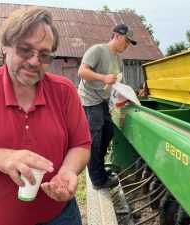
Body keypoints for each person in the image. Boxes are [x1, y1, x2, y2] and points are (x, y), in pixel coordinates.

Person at [0, 7, 91, 225]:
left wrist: (68, 170)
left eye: (44, 54)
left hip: (60, 216)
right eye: (25, 50)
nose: (34, 61)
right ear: (5, 47)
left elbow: (81, 145)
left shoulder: (64, 90)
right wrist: (1, 158)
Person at [77, 24, 137, 190]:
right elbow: (82, 72)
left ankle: (100, 169)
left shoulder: (119, 60)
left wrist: (129, 98)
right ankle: (98, 180)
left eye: (129, 42)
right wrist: (103, 78)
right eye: (126, 41)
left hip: (103, 101)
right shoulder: (97, 50)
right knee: (95, 140)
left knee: (108, 132)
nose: (127, 45)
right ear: (117, 35)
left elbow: (119, 85)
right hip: (89, 100)